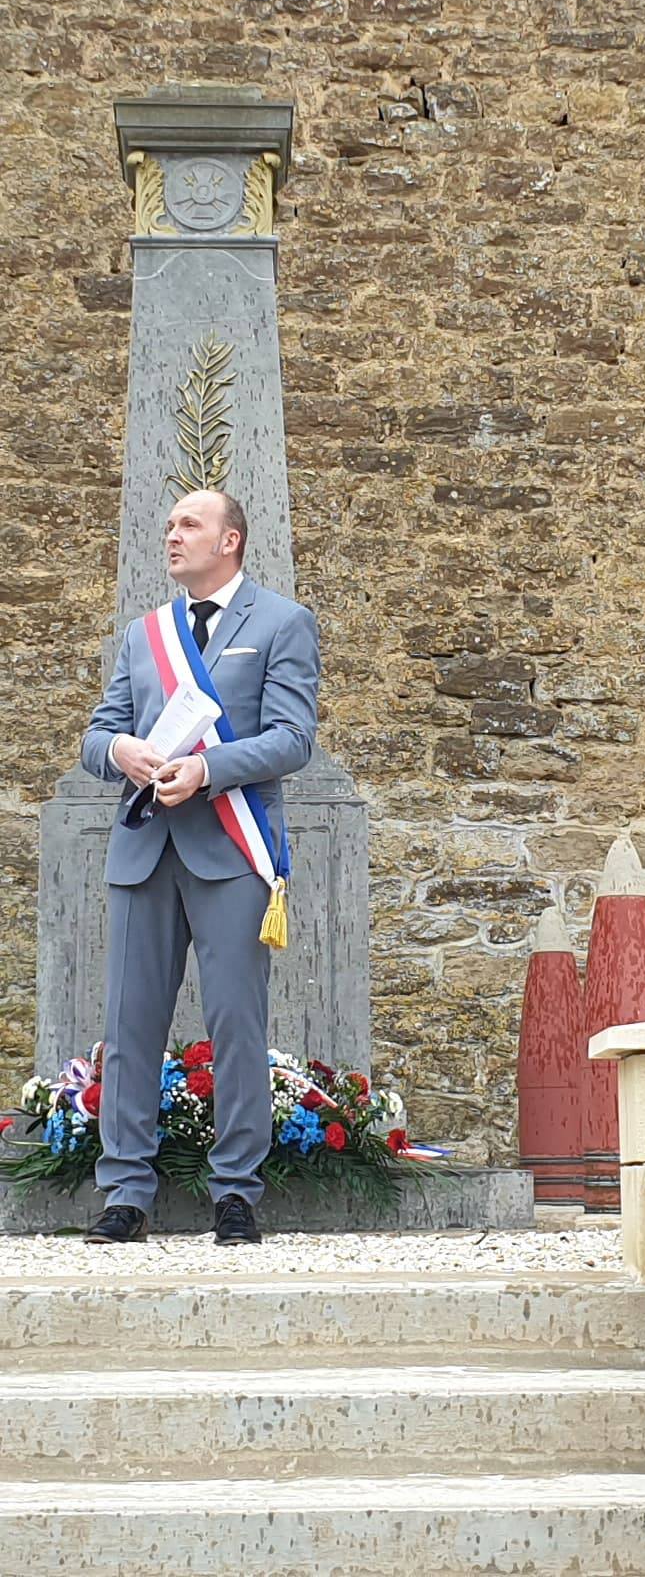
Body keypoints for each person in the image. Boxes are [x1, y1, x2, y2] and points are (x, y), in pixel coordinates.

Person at [78, 491, 320, 1245]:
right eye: (169, 524)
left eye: (188, 525)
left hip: (231, 849)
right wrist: (121, 751)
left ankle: (237, 1193)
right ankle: (125, 1192)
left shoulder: (281, 623)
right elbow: (98, 733)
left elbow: (291, 738)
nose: (171, 535)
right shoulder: (143, 634)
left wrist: (208, 770)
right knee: (129, 1023)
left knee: (236, 1024)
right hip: (145, 848)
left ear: (232, 541)